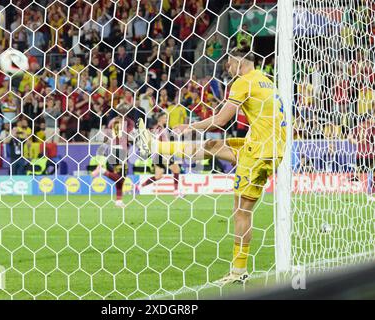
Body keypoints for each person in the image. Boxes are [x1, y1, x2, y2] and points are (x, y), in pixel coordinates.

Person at [138, 47, 286, 284]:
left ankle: (238, 271)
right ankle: (157, 147)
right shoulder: (266, 81)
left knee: (241, 211)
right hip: (265, 146)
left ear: (239, 63)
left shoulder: (243, 82)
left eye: (228, 64)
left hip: (260, 152)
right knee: (212, 146)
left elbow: (219, 120)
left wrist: (189, 127)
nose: (227, 69)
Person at [91, 109, 135, 208]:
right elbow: (130, 136)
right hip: (121, 151)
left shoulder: (112, 122)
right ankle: (102, 171)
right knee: (121, 177)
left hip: (113, 150)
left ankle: (119, 201)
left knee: (120, 177)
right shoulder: (128, 123)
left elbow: (106, 135)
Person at [136, 113, 183, 197]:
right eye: (165, 118)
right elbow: (157, 138)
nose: (166, 119)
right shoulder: (159, 128)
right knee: (176, 170)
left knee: (158, 176)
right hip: (162, 153)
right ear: (160, 119)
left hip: (158, 154)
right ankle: (176, 192)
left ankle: (139, 187)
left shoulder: (160, 128)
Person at [348, 113, 375, 200]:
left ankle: (356, 176)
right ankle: (369, 194)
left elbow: (349, 138)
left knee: (364, 173)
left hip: (359, 154)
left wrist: (358, 143)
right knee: (370, 173)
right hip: (369, 153)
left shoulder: (358, 127)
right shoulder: (372, 127)